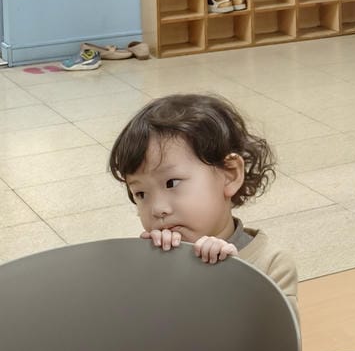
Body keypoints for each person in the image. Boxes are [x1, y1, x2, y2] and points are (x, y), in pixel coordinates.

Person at [108, 94, 298, 311]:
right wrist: (151, 268)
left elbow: (276, 341)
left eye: (171, 183)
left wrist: (230, 274)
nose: (158, 209)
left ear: (230, 174)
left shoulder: (271, 264)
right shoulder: (151, 261)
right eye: (141, 194)